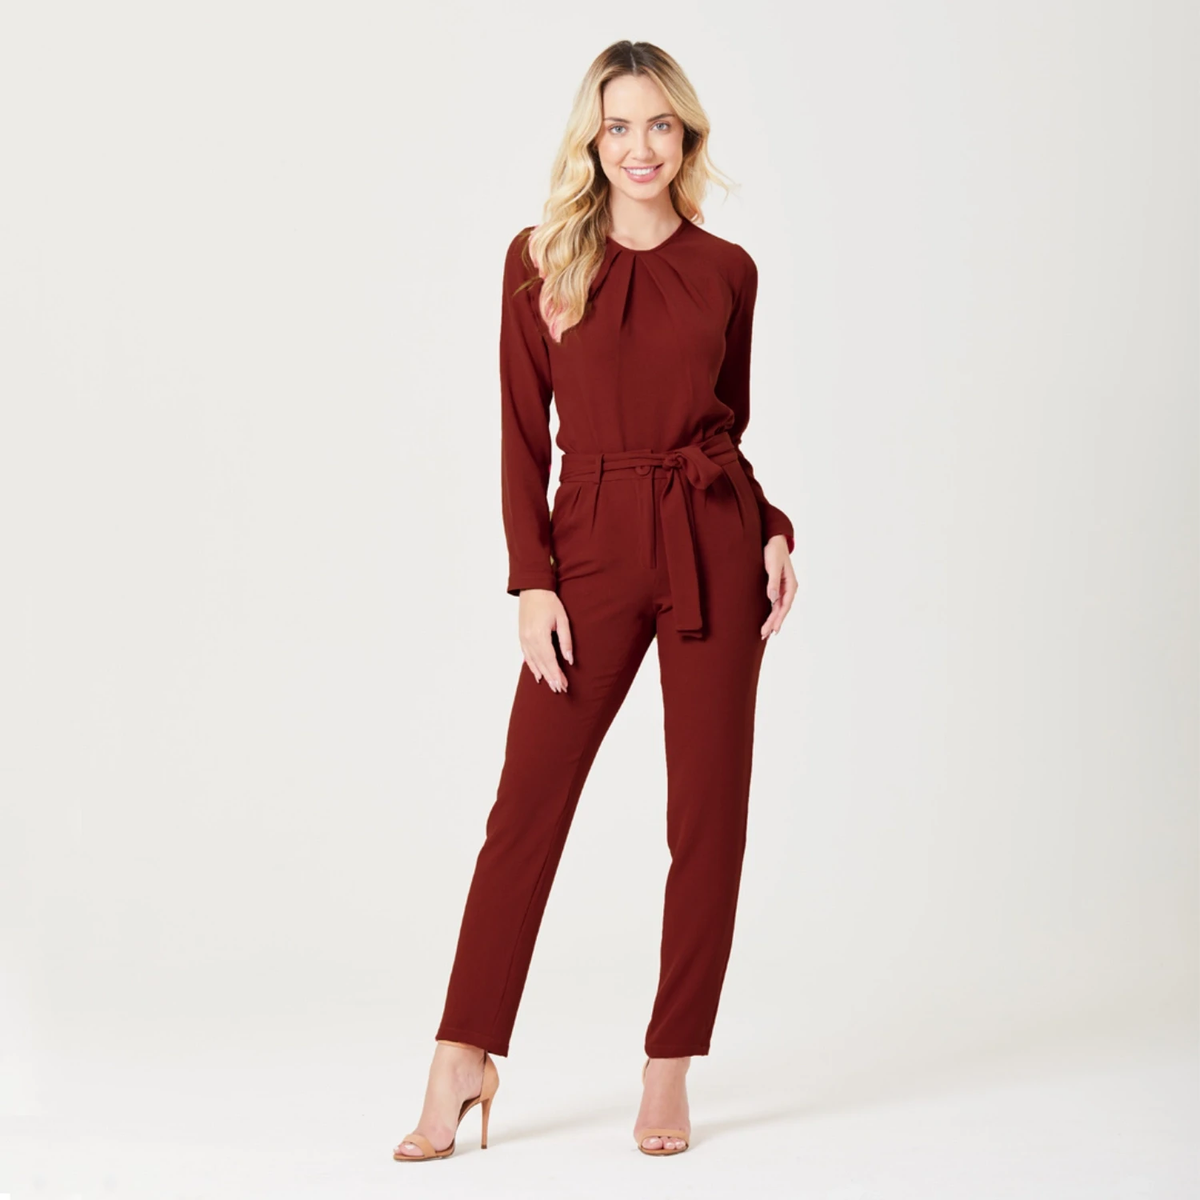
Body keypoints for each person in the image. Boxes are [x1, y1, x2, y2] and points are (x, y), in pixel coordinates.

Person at [394, 39, 797, 1162]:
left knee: (707, 813)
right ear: (592, 138)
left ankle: (669, 1065)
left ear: (687, 137)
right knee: (527, 802)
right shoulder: (540, 262)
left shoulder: (728, 271)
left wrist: (770, 528)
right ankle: (462, 1054)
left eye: (660, 124)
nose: (639, 147)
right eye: (618, 126)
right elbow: (522, 438)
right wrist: (533, 579)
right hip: (591, 544)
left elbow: (725, 428)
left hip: (712, 539)